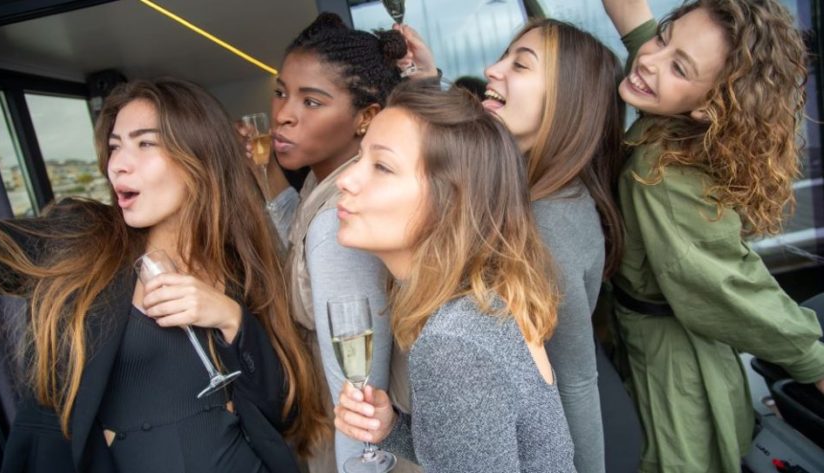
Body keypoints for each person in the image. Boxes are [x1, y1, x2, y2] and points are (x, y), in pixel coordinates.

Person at [0, 78, 327, 472]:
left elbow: (283, 410)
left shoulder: (240, 262)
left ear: (200, 156)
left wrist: (232, 319)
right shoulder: (87, 242)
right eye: (115, 146)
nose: (118, 163)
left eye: (145, 143)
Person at [392, 18, 639, 472]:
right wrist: (426, 81)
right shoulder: (531, 192)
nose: (492, 69)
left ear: (567, 103)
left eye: (520, 65)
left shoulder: (547, 225)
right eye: (504, 56)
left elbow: (576, 377)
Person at [601, 0, 824, 471]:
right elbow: (650, 39)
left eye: (678, 66)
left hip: (673, 375)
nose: (650, 59)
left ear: (710, 106)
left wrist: (813, 359)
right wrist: (660, 45)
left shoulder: (661, 174)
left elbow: (728, 285)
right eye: (663, 37)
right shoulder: (677, 104)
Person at [334, 80, 574, 472]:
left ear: (450, 201)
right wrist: (391, 427)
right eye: (359, 157)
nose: (345, 179)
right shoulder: (484, 302)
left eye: (382, 166)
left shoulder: (453, 344)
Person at [256, 12, 419, 473]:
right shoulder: (324, 180)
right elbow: (298, 235)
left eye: (311, 101)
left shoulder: (342, 221)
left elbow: (359, 393)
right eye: (281, 92)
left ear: (366, 117)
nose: (283, 114)